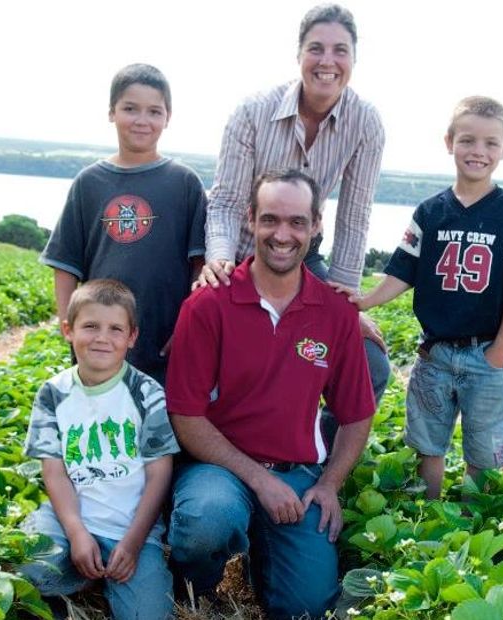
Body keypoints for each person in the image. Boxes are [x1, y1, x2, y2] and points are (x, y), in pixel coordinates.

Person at [165, 169, 375, 619]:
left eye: (297, 222)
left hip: (297, 474)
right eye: (271, 220)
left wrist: (330, 483)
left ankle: (266, 551)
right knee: (207, 521)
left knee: (308, 608)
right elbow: (186, 415)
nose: (283, 234)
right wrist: (260, 482)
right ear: (250, 220)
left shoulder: (336, 313)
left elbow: (356, 414)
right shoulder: (208, 304)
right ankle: (193, 585)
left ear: (316, 225)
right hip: (218, 469)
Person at [338, 96, 503, 499]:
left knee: (482, 452)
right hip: (434, 353)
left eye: (490, 143)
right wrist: (365, 301)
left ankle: (472, 517)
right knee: (427, 443)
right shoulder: (431, 211)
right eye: (468, 140)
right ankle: (432, 511)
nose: (478, 152)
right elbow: (403, 271)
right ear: (449, 142)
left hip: (484, 353)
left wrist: (502, 347)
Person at [196, 3, 391, 405]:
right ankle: (203, 456)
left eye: (340, 51)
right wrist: (218, 265)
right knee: (203, 344)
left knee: (370, 364)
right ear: (299, 54)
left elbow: (355, 219)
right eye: (316, 48)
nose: (328, 61)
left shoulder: (366, 122)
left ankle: (313, 455)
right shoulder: (253, 111)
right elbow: (227, 202)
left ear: (354, 59)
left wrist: (346, 307)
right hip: (237, 254)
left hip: (298, 259)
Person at [20, 279, 177, 620]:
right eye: (90, 326)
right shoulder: (53, 393)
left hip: (131, 528)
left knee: (148, 614)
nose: (102, 338)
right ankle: (78, 571)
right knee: (29, 572)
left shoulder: (146, 393)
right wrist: (77, 532)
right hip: (67, 521)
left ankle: (99, 576)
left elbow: (159, 472)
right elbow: (54, 471)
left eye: (115, 329)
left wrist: (133, 544)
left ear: (132, 337)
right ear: (68, 330)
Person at [41, 63, 206, 385]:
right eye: (130, 109)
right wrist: (69, 323)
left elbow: (200, 265)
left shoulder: (184, 183)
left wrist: (186, 328)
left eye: (154, 111)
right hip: (102, 342)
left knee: (159, 426)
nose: (142, 121)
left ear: (167, 117)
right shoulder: (89, 183)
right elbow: (66, 265)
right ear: (111, 112)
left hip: (164, 342)